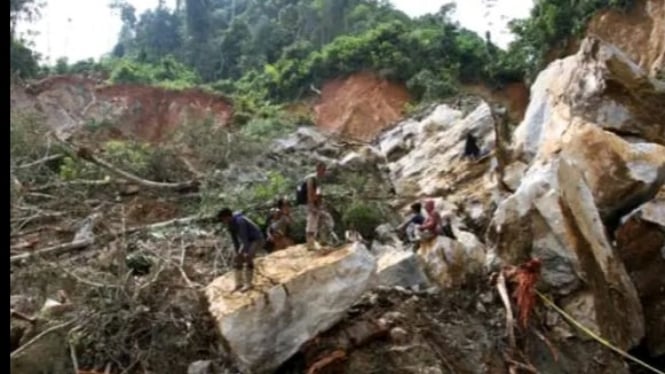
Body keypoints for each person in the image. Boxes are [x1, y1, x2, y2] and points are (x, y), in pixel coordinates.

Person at [217, 208, 265, 292]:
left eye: (223, 219)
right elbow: (235, 240)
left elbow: (244, 239)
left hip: (256, 239)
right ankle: (238, 284)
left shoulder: (240, 221)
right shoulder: (230, 224)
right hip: (248, 240)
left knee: (248, 257)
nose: (223, 222)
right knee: (238, 259)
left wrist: (243, 252)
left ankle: (248, 284)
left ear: (228, 217)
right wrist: (237, 253)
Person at [298, 162, 334, 251]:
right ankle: (310, 244)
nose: (324, 172)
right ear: (318, 169)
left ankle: (323, 240)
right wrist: (312, 206)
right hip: (308, 204)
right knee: (312, 223)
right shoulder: (311, 178)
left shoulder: (318, 179)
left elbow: (318, 193)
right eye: (323, 170)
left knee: (326, 219)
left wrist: (320, 205)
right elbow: (310, 193)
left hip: (315, 204)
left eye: (325, 170)